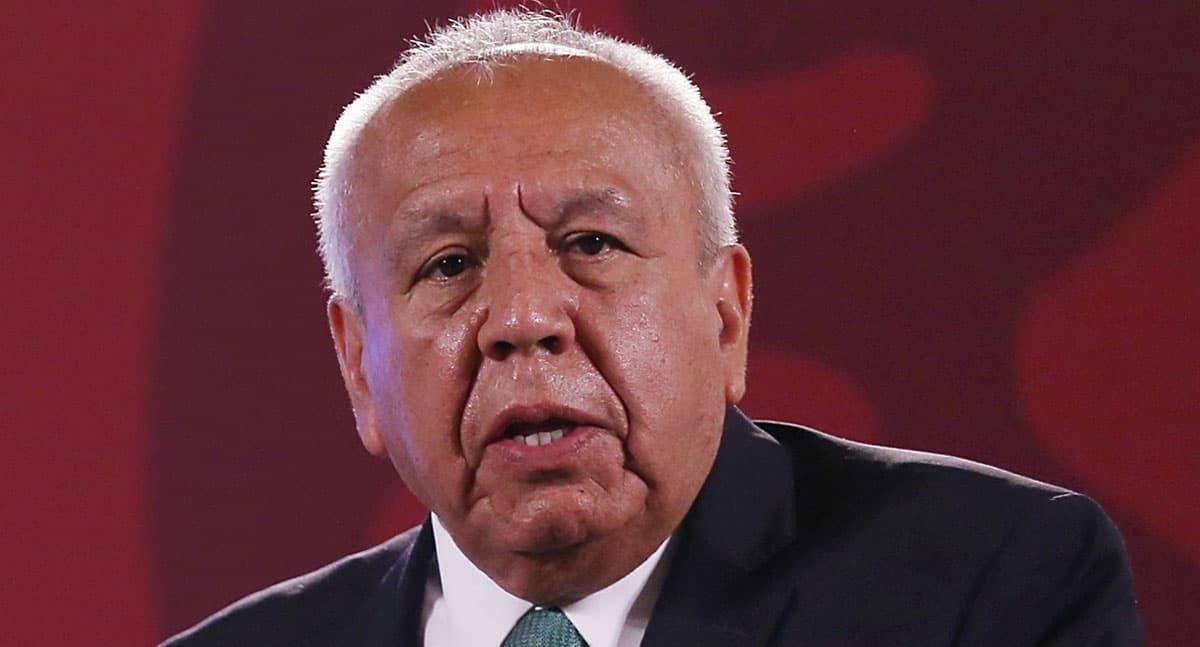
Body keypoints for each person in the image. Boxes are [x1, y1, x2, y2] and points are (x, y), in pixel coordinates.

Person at [164, 9, 1141, 646]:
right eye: (449, 264)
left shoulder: (990, 583)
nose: (523, 319)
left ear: (726, 313)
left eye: (590, 242)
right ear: (357, 367)